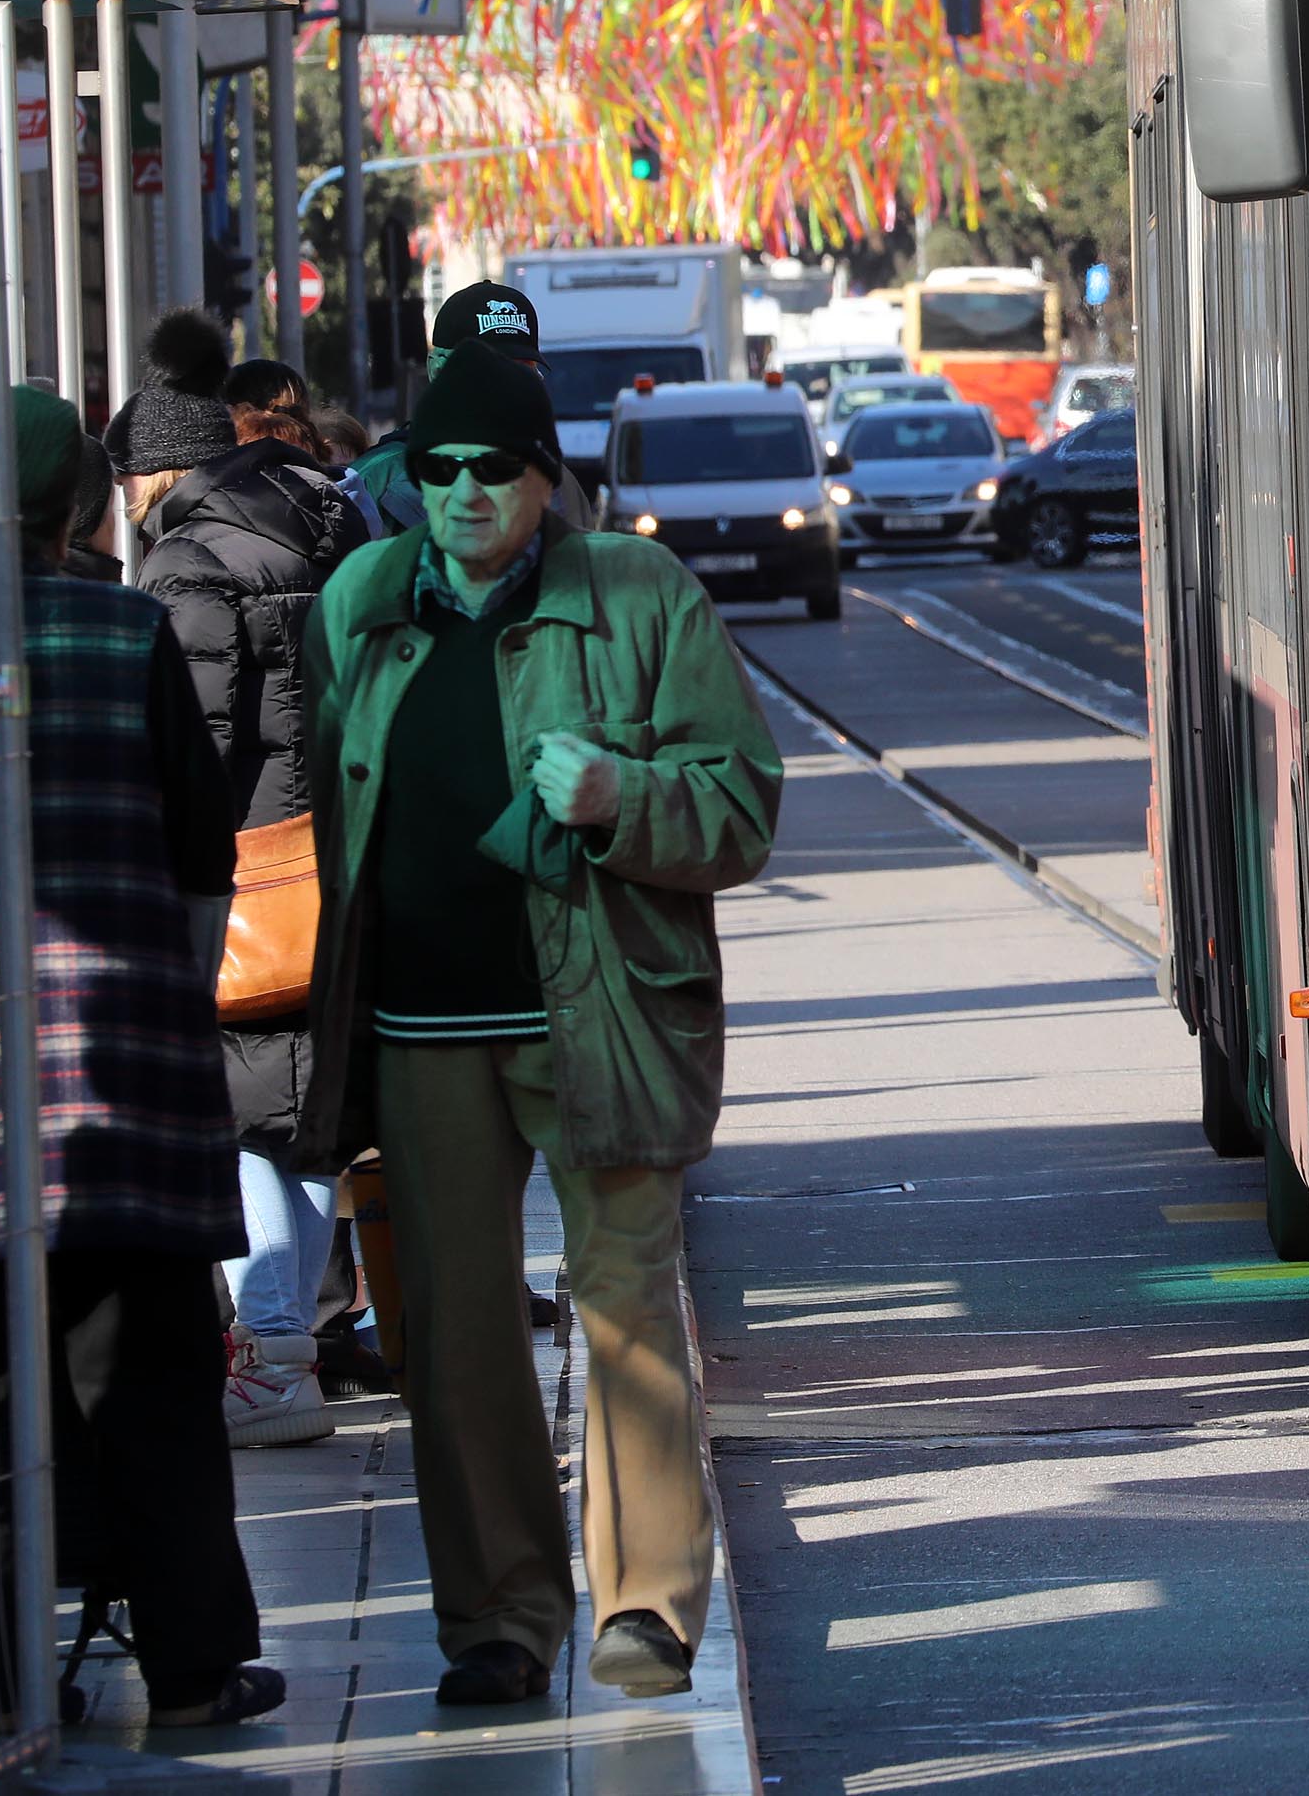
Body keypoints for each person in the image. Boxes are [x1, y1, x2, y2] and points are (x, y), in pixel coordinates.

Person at [298, 346, 781, 1708]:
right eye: (436, 467)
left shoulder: (638, 592)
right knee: (455, 1333)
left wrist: (624, 796)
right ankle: (499, 1619)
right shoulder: (358, 601)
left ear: (544, 479)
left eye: (493, 468)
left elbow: (742, 801)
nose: (463, 492)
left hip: (605, 1011)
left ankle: (645, 1608)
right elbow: (334, 809)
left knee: (624, 1303)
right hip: (421, 1026)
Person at [0, 381, 282, 1732]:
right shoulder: (125, 632)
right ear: (76, 508)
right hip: (122, 1090)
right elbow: (204, 853)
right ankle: (195, 1668)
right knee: (152, 1383)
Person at [122, 309, 373, 1449]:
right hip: (339, 857)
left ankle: (270, 1353)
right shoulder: (330, 514)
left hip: (247, 878)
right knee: (305, 1115)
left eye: (131, 482)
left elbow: (200, 737)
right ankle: (289, 1351)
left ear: (157, 470)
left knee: (239, 1111)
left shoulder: (189, 559)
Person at [346, 282, 560, 534]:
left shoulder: (555, 478)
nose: (505, 387)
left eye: (522, 372)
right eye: (485, 371)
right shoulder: (373, 479)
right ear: (437, 369)